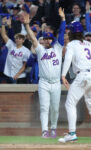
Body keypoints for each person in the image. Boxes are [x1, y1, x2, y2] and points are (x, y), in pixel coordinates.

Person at [58, 21, 91, 144]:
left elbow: (68, 59)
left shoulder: (72, 45)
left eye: (69, 31)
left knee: (70, 104)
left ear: (72, 33)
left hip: (83, 76)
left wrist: (63, 75)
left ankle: (72, 133)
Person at [23, 7, 66, 138]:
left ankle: (53, 128)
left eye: (49, 39)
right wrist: (26, 25)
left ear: (52, 40)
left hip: (56, 83)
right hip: (44, 83)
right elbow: (32, 37)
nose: (48, 40)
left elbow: (62, 32)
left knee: (55, 108)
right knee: (44, 107)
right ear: (43, 40)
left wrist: (63, 19)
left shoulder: (58, 48)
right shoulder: (40, 49)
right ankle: (44, 130)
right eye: (46, 39)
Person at [1, 17, 31, 84]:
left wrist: (17, 74)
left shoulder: (26, 51)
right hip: (8, 74)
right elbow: (3, 35)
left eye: (20, 38)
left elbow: (24, 66)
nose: (17, 40)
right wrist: (3, 24)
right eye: (16, 38)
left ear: (23, 40)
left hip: (19, 77)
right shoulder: (11, 45)